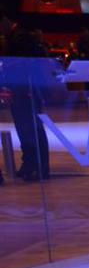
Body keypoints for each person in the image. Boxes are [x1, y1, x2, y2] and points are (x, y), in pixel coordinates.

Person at [7, 24, 51, 181]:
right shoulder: (21, 36)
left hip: (25, 91)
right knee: (29, 130)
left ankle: (37, 167)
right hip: (25, 91)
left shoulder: (20, 38)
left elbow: (18, 65)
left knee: (30, 130)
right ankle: (33, 165)